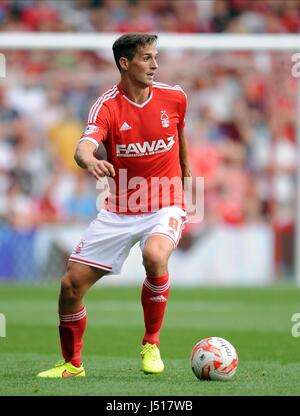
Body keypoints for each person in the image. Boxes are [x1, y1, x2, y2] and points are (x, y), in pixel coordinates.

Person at [37, 33, 191, 378]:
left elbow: (181, 138)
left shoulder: (175, 97)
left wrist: (188, 181)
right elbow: (83, 146)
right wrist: (89, 160)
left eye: (155, 57)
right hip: (120, 209)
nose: (155, 65)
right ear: (125, 63)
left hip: (167, 202)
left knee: (154, 255)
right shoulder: (106, 105)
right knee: (70, 286)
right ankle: (72, 365)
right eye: (146, 58)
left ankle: (151, 342)